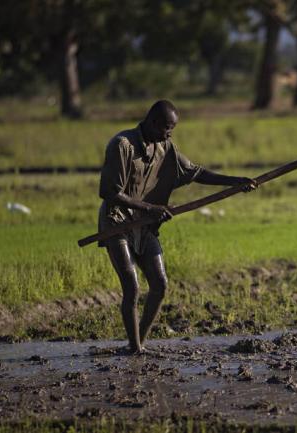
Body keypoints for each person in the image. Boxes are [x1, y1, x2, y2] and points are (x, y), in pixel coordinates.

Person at [98, 100, 256, 355]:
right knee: (132, 287)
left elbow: (196, 172)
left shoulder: (166, 148)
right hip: (117, 222)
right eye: (167, 128)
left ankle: (138, 343)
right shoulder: (122, 145)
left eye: (172, 129)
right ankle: (135, 348)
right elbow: (109, 192)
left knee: (160, 285)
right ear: (152, 122)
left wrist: (235, 182)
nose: (170, 134)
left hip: (145, 224)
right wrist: (150, 208)